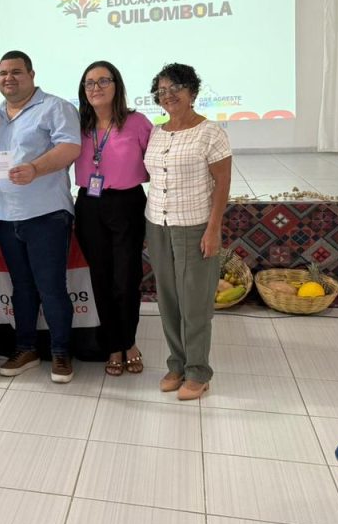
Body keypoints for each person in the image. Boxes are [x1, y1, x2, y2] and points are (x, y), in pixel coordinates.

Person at [0, 50, 81, 383]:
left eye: (16, 72)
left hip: (46, 214)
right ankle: (26, 348)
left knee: (51, 288)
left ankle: (61, 352)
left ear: (31, 74)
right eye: (3, 73)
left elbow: (70, 148)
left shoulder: (55, 107)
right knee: (21, 288)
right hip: (5, 217)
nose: (8, 78)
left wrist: (35, 168)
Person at [144, 63, 232, 401]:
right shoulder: (156, 132)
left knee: (194, 304)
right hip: (158, 225)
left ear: (192, 92)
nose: (168, 95)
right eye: (162, 91)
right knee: (168, 300)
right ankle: (177, 364)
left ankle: (198, 372)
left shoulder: (210, 133)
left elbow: (222, 183)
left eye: (175, 88)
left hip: (194, 226)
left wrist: (213, 229)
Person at [74, 61, 152, 376]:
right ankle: (113, 345)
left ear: (116, 85)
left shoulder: (137, 122)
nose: (96, 87)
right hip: (89, 205)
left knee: (126, 278)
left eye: (103, 81)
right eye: (89, 82)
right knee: (101, 279)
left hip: (127, 204)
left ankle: (128, 342)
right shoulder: (78, 125)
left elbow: (157, 163)